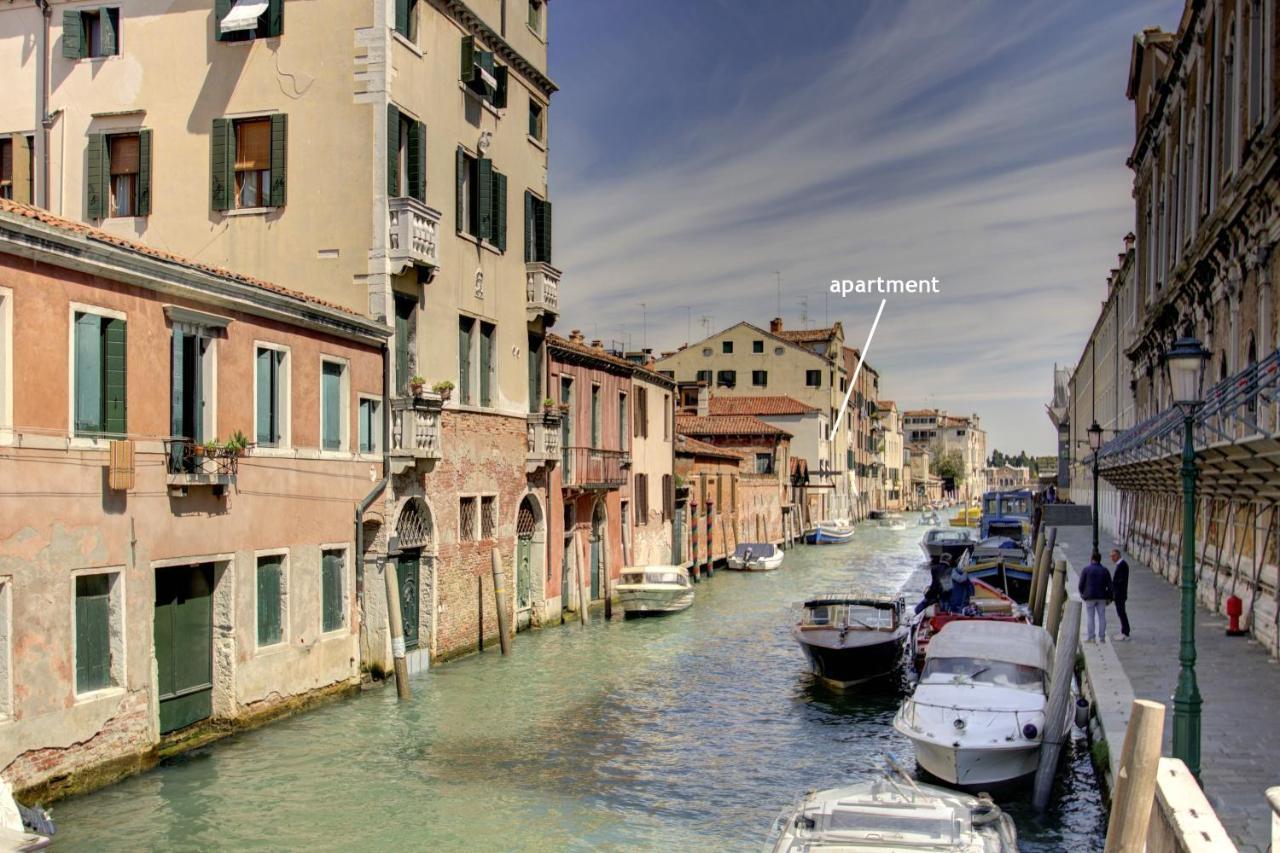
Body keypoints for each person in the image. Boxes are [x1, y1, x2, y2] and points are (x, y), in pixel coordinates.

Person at [1078, 551, 1114, 642]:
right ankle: (1102, 638)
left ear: (1091, 559)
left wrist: (1083, 595)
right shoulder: (1105, 570)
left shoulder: (1086, 569)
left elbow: (1080, 585)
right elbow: (1110, 586)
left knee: (1090, 617)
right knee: (1102, 617)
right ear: (1099, 560)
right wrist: (1109, 598)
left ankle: (1091, 637)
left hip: (1089, 597)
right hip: (1102, 597)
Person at [1110, 548, 1130, 640]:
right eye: (1111, 556)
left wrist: (1113, 584)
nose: (1112, 558)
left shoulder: (1122, 565)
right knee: (1120, 612)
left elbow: (1121, 580)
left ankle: (1125, 632)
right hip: (1119, 593)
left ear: (1118, 555)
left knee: (1121, 612)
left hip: (1120, 594)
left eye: (1113, 556)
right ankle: (1124, 630)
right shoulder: (1121, 565)